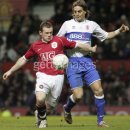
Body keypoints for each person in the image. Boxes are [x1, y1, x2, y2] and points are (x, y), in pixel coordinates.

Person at [3, 21, 97, 128]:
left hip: (58, 77)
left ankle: (39, 113)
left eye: (51, 33)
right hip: (43, 75)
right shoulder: (35, 46)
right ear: (40, 33)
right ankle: (43, 121)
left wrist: (90, 48)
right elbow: (23, 59)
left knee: (50, 107)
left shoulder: (60, 40)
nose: (49, 35)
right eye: (46, 33)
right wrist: (10, 71)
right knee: (40, 98)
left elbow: (77, 44)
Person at [57, 0, 129, 127]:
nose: (77, 14)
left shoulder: (91, 25)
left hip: (87, 62)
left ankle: (100, 121)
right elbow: (58, 41)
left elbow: (106, 35)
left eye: (79, 11)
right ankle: (67, 108)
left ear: (85, 12)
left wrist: (119, 30)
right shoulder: (67, 24)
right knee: (78, 96)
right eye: (74, 12)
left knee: (99, 90)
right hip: (72, 63)